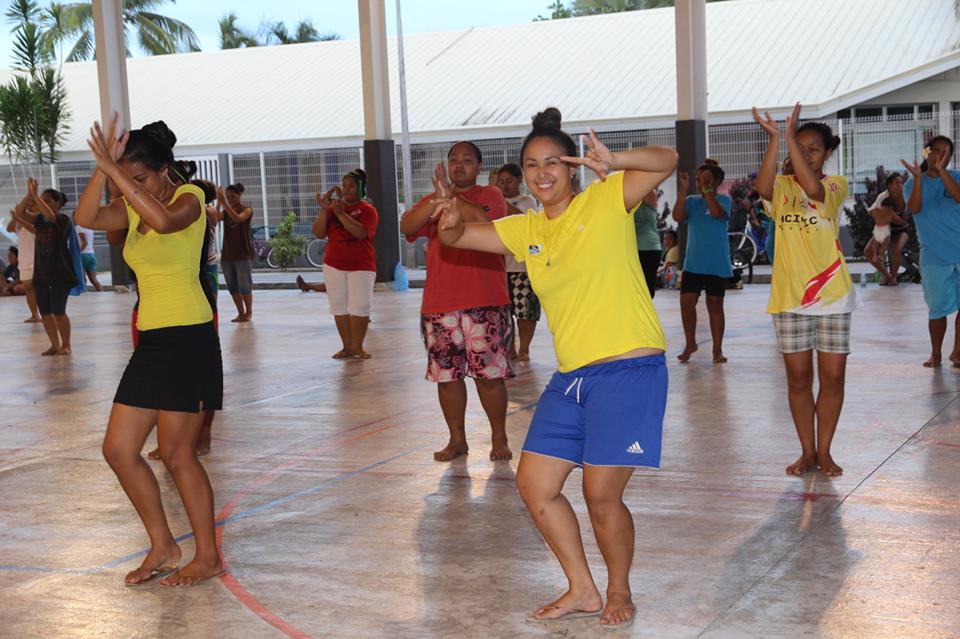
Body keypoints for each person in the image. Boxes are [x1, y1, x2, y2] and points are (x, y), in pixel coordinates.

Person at [430, 108, 676, 629]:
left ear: (571, 167)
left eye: (553, 163)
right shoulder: (526, 228)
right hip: (572, 379)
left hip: (629, 370)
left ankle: (618, 588)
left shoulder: (605, 201)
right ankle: (582, 588)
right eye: (531, 163)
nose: (542, 172)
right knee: (534, 485)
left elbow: (667, 160)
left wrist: (616, 160)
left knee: (600, 494)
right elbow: (456, 240)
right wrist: (451, 220)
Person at [75, 115, 224, 587]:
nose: (128, 187)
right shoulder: (132, 206)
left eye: (138, 177)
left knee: (179, 455)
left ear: (164, 170)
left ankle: (208, 556)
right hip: (153, 339)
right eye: (126, 177)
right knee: (118, 449)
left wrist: (118, 175)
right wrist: (103, 168)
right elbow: (84, 218)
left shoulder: (190, 199)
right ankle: (162, 544)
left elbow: (162, 222)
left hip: (189, 337)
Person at [754, 104, 860, 478]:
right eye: (799, 147)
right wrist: (774, 138)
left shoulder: (835, 185)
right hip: (789, 300)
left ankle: (826, 451)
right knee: (798, 380)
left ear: (827, 153)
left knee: (832, 379)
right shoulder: (781, 189)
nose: (804, 154)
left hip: (832, 298)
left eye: (813, 148)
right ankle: (807, 451)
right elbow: (761, 187)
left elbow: (813, 189)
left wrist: (789, 138)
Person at [399, 141, 514, 462]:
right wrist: (437, 200)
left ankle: (499, 438)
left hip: (484, 300)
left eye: (466, 160)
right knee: (447, 376)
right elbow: (406, 226)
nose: (459, 165)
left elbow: (484, 222)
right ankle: (457, 439)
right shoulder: (434, 199)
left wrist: (452, 199)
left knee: (489, 375)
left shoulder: (490, 196)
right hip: (439, 303)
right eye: (453, 160)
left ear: (479, 167)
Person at [306, 170, 379, 359]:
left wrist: (341, 214)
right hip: (333, 265)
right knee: (339, 306)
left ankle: (357, 347)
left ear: (360, 188)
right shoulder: (333, 208)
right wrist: (324, 210)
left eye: (351, 185)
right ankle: (347, 347)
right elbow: (319, 233)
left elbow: (361, 233)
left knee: (360, 307)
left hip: (361, 266)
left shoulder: (368, 210)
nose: (346, 189)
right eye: (344, 185)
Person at [901, 135, 960, 368]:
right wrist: (917, 178)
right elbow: (914, 208)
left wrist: (942, 171)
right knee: (937, 310)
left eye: (946, 153)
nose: (940, 156)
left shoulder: (955, 178)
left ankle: (957, 352)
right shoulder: (911, 183)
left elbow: (957, 196)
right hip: (934, 257)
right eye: (936, 150)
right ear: (927, 152)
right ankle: (935, 353)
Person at [672, 159, 733, 364]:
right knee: (686, 303)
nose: (700, 183)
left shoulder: (724, 200)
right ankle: (690, 343)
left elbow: (716, 213)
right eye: (698, 180)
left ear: (716, 181)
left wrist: (707, 190)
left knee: (715, 305)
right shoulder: (690, 201)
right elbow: (677, 215)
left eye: (705, 179)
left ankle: (717, 350)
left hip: (717, 263)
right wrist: (682, 190)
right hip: (693, 263)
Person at [12, 180, 78, 355]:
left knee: (58, 311)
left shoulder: (63, 219)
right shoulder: (38, 220)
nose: (44, 203)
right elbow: (20, 213)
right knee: (46, 312)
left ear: (57, 203)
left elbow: (50, 216)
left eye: (48, 200)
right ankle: (55, 345)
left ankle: (66, 345)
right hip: (42, 273)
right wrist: (29, 194)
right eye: (43, 200)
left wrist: (35, 196)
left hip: (60, 272)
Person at [497, 162, 541, 361]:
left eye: (509, 181)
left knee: (525, 311)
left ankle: (524, 348)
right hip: (500, 267)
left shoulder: (528, 200)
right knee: (505, 312)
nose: (505, 186)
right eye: (501, 182)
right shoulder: (494, 202)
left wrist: (502, 202)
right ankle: (509, 349)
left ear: (518, 181)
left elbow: (524, 221)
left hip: (521, 267)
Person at [218, 182, 253, 322]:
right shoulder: (226, 211)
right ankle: (241, 313)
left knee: (245, 286)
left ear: (240, 195)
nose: (230, 199)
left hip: (242, 254)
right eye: (227, 197)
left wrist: (224, 204)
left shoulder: (247, 210)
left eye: (233, 196)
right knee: (232, 287)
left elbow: (237, 219)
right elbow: (214, 219)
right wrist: (218, 204)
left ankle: (249, 313)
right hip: (227, 255)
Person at [864, 197, 907, 285]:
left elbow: (870, 212)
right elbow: (899, 221)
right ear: (891, 207)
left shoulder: (876, 210)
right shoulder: (890, 212)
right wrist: (904, 221)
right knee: (884, 244)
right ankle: (881, 256)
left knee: (875, 244)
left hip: (877, 229)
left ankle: (875, 255)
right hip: (885, 230)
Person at [634, 187, 663, 297]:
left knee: (647, 286)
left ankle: (645, 313)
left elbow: (645, 191)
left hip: (649, 247)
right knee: (633, 286)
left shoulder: (650, 193)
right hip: (632, 247)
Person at [76, 222, 103, 291]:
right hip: (91, 254)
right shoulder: (89, 228)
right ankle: (101, 292)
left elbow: (85, 243)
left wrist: (77, 253)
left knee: (81, 279)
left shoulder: (79, 227)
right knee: (94, 280)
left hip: (83, 255)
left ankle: (83, 295)